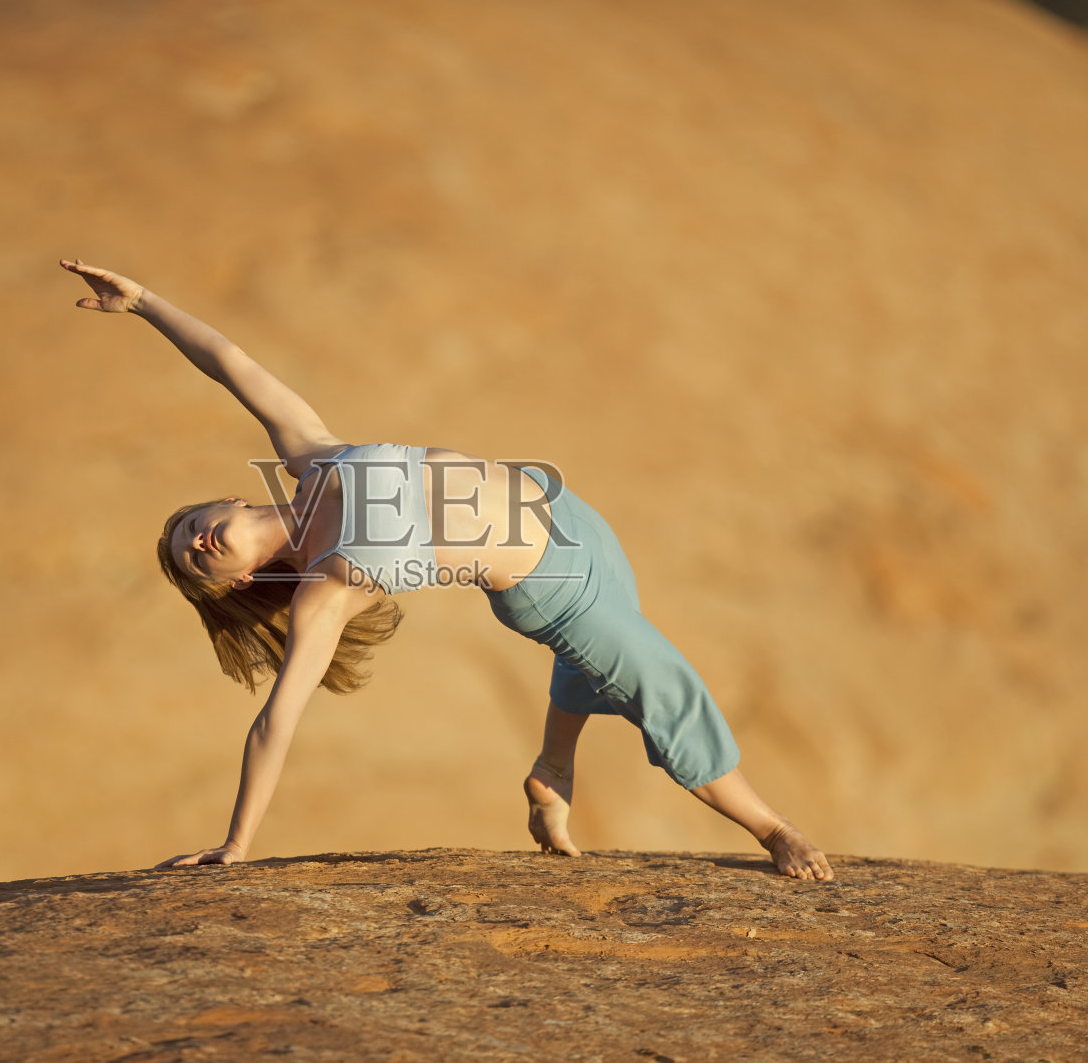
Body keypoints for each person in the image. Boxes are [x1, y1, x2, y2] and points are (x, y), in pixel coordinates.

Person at [61, 259, 835, 882]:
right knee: (662, 685)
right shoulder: (329, 588)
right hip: (548, 587)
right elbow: (277, 723)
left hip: (574, 518)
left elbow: (230, 362)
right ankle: (773, 828)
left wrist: (144, 304)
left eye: (193, 528)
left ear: (224, 500)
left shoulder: (308, 453)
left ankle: (551, 771)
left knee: (616, 649)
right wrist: (236, 842)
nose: (197, 543)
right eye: (194, 560)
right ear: (228, 585)